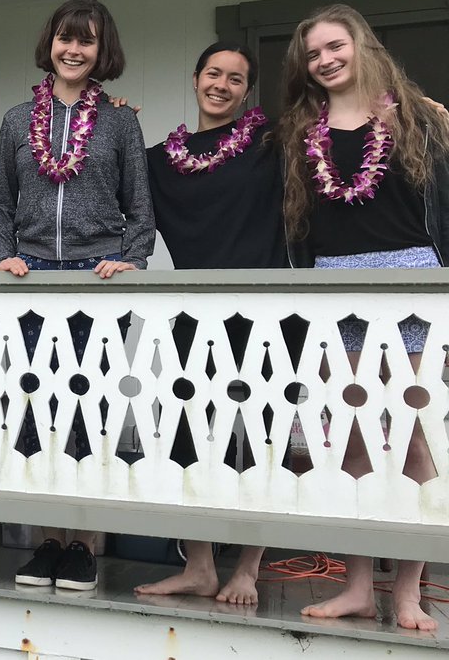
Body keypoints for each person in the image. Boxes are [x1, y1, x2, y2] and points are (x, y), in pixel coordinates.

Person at [276, 4, 449, 633]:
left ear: (362, 46)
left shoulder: (419, 119)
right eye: (313, 54)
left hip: (412, 280)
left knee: (414, 437)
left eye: (334, 46)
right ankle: (355, 585)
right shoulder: (303, 130)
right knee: (349, 434)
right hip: (335, 283)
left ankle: (408, 591)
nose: (324, 60)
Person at [0, 0, 152, 591]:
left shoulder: (119, 122)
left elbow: (140, 204)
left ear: (101, 50)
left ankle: (85, 545)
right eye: (65, 38)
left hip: (96, 276)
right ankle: (47, 542)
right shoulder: (15, 120)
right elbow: (0, 200)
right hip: (32, 273)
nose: (74, 50)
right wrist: (2, 253)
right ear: (50, 43)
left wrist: (130, 260)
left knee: (92, 407)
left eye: (86, 41)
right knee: (37, 405)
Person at [133, 42, 284, 605]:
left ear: (248, 91)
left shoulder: (273, 144)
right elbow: (109, 180)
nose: (222, 85)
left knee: (258, 440)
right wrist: (111, 119)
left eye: (236, 79)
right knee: (186, 439)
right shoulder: (159, 160)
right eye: (213, 74)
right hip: (192, 315)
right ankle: (200, 565)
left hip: (265, 314)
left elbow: (339, 133)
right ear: (195, 79)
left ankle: (247, 566)